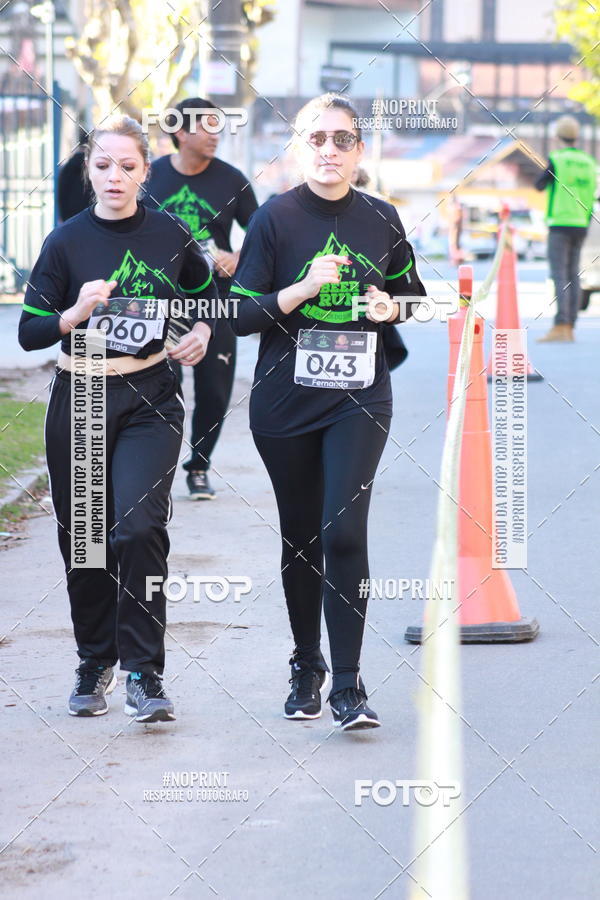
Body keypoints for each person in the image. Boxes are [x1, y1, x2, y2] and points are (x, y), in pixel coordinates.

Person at [229, 93, 425, 732]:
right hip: (285, 401)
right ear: (299, 146)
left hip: (359, 397)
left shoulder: (382, 218)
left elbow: (413, 299)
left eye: (343, 139)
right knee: (302, 535)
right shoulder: (275, 221)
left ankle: (348, 683)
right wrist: (305, 288)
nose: (330, 150)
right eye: (317, 138)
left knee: (344, 528)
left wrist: (387, 308)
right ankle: (305, 662)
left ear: (360, 150)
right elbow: (241, 315)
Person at [18, 115, 216, 722]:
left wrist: (202, 329)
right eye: (102, 165)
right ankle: (93, 660)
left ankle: (145, 673)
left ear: (144, 173)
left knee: (137, 528)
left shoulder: (169, 234)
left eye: (127, 166)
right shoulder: (65, 242)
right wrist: (74, 312)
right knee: (87, 540)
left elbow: (207, 295)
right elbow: (29, 333)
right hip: (81, 394)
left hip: (151, 394)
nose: (114, 176)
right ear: (89, 171)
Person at [144, 97, 259, 499]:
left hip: (215, 301)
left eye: (218, 127)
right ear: (180, 132)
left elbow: (262, 235)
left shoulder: (232, 180)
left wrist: (236, 256)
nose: (216, 135)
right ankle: (159, 466)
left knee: (213, 388)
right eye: (207, 127)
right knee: (164, 383)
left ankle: (199, 466)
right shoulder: (150, 177)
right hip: (162, 300)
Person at [535, 115, 597, 342]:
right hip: (581, 224)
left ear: (558, 136)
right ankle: (570, 324)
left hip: (560, 223)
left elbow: (539, 185)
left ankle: (561, 325)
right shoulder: (590, 162)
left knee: (559, 274)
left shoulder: (557, 159)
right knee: (573, 274)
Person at [57, 127, 95, 222]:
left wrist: (62, 216)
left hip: (70, 216)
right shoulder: (95, 166)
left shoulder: (67, 167)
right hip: (90, 216)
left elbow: (61, 193)